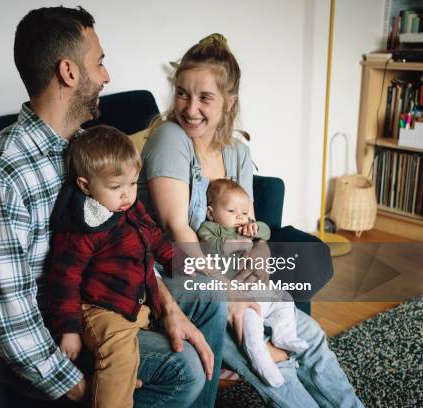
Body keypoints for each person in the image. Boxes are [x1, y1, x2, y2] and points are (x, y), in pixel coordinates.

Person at [0, 6, 224, 407]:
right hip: (44, 331)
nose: (106, 76)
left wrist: (168, 305)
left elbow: (133, 234)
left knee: (206, 296)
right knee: (180, 369)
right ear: (68, 72)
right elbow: (8, 323)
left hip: (97, 295)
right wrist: (84, 389)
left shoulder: (89, 150)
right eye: (99, 63)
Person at [138, 33, 364, 406]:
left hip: (229, 273)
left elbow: (247, 230)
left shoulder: (238, 153)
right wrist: (233, 295)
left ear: (229, 102)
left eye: (205, 97)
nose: (190, 108)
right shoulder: (169, 139)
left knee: (310, 339)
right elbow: (176, 232)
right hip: (179, 277)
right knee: (270, 360)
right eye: (182, 93)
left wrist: (256, 269)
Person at [49, 125, 178, 408]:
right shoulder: (83, 227)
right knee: (120, 354)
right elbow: (64, 280)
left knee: (198, 301)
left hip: (132, 301)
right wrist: (69, 329)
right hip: (98, 308)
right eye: (115, 187)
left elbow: (154, 237)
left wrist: (177, 261)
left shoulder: (129, 207)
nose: (127, 195)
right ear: (86, 186)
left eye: (132, 184)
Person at [198, 178, 308, 388]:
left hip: (257, 286)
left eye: (244, 212)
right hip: (236, 291)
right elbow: (209, 246)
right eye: (231, 211)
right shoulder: (210, 229)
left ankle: (285, 335)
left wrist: (255, 227)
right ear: (211, 213)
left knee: (284, 299)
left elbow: (265, 232)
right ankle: (260, 359)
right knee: (250, 320)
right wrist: (239, 242)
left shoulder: (245, 226)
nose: (240, 217)